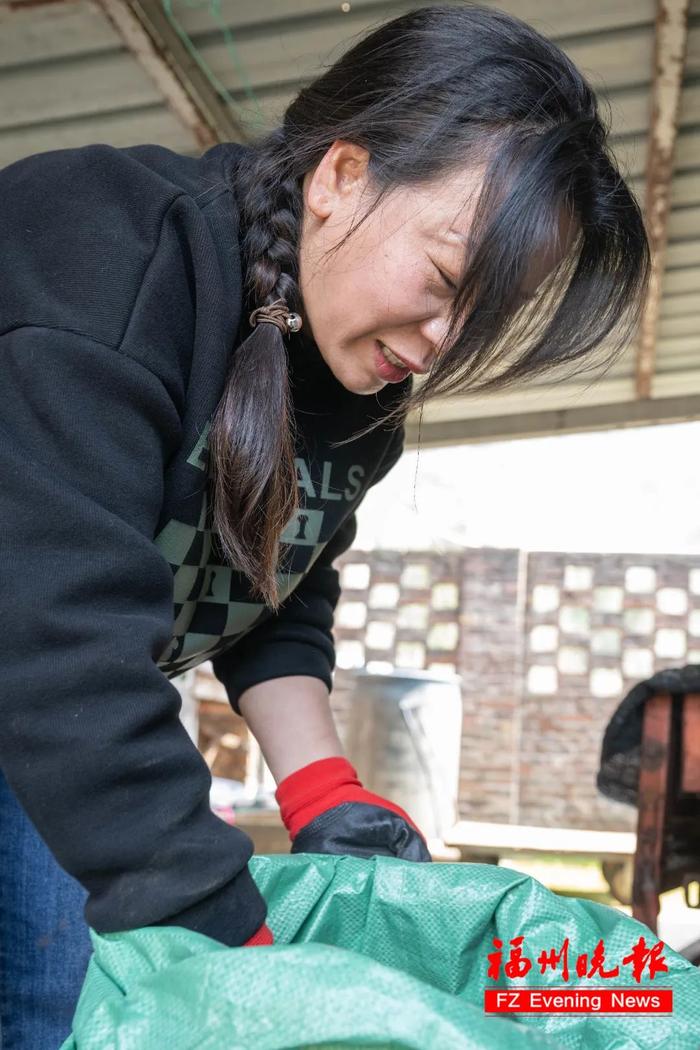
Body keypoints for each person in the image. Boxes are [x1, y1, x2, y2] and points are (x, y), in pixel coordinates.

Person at [0, 3, 650, 1047]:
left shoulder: (351, 372)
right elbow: (59, 642)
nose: (441, 344)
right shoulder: (103, 269)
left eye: (480, 319)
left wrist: (323, 792)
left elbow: (274, 583)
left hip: (36, 714)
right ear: (341, 176)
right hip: (36, 691)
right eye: (444, 283)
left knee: (71, 998)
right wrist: (246, 960)